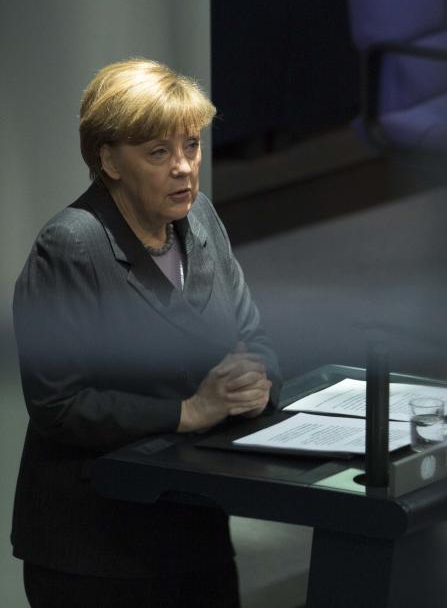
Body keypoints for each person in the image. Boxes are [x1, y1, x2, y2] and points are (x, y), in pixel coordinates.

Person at [11, 58, 281, 607]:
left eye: (192, 146)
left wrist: (258, 383)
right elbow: (57, 405)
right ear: (108, 159)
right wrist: (187, 411)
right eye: (159, 152)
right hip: (96, 550)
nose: (183, 168)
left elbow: (252, 336)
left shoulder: (200, 217)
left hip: (195, 528)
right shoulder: (71, 247)